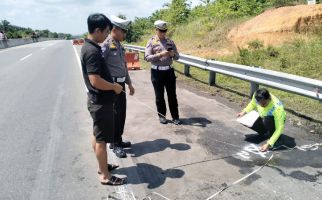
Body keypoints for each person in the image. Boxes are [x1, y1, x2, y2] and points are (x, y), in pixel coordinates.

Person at [81, 13, 126, 185]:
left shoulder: (90, 46)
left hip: (97, 100)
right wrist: (114, 87)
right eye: (106, 31)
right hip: (100, 102)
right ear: (97, 30)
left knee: (97, 135)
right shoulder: (92, 51)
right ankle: (105, 176)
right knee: (101, 141)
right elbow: (95, 80)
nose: (108, 34)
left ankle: (102, 166)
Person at [101, 15, 135, 158]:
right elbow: (99, 66)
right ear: (115, 30)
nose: (125, 34)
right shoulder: (107, 44)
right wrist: (109, 84)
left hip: (121, 84)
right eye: (123, 31)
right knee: (114, 115)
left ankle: (118, 139)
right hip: (112, 86)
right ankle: (114, 144)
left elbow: (124, 67)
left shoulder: (119, 45)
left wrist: (129, 83)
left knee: (121, 114)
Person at [144, 20, 181, 125]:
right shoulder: (151, 42)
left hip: (169, 71)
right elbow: (147, 57)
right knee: (159, 96)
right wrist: (160, 55)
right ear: (156, 30)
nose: (163, 33)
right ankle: (162, 116)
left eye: (165, 31)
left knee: (172, 95)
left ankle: (175, 117)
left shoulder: (170, 42)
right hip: (157, 72)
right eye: (161, 31)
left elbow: (178, 57)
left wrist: (173, 54)